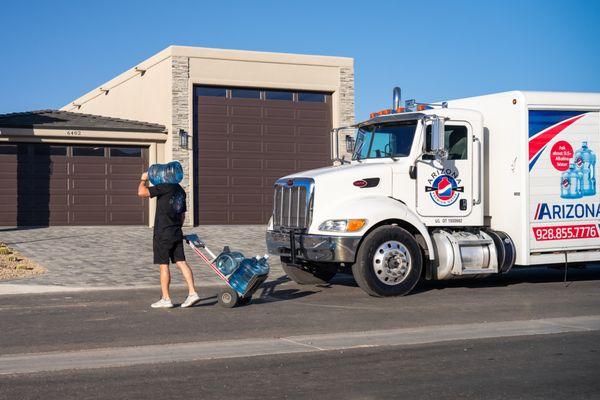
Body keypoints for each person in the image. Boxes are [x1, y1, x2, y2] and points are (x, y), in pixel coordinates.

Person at [138, 171, 200, 308]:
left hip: (163, 233)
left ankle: (166, 299)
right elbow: (182, 215)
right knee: (181, 262)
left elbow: (141, 193)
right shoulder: (180, 190)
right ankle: (192, 292)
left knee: (163, 265)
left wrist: (143, 179)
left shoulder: (164, 187)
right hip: (176, 231)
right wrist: (176, 227)